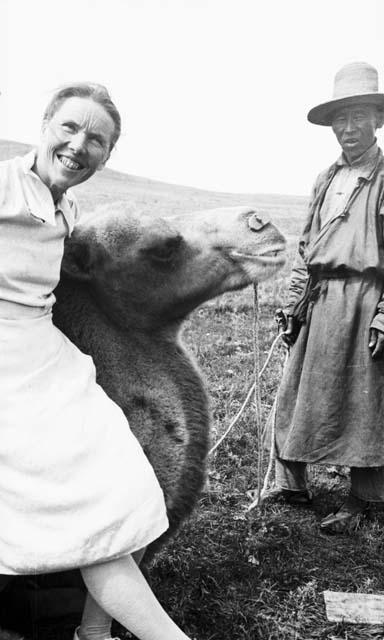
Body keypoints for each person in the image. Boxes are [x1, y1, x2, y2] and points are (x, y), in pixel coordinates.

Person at [0, 82, 194, 640]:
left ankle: (95, 628)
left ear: (107, 155)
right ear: (44, 125)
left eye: (97, 140)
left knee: (117, 480)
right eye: (70, 128)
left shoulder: (67, 205)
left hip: (45, 358)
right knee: (80, 500)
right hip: (8, 369)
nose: (79, 145)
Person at [268, 61, 384, 534]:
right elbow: (306, 246)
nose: (349, 128)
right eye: (341, 118)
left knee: (364, 399)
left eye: (359, 116)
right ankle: (291, 485)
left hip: (364, 297)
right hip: (319, 300)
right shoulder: (325, 177)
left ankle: (366, 500)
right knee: (294, 391)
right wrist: (294, 303)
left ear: (376, 120)